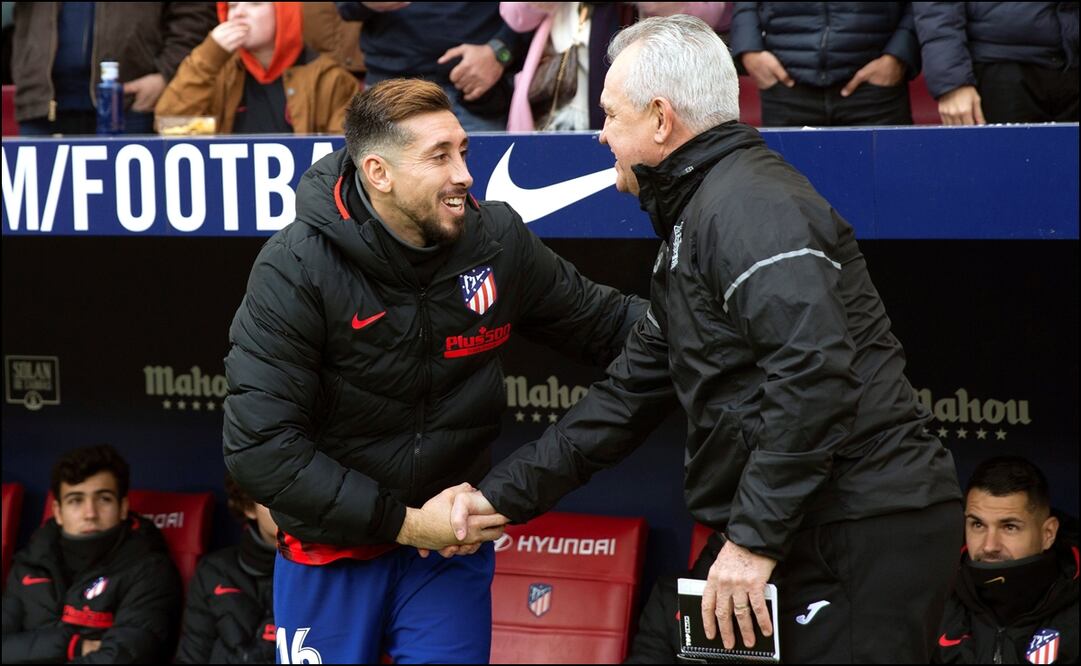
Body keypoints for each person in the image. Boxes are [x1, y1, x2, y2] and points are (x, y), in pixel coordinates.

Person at [451, 15, 963, 663]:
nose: (601, 134)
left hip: (858, 526)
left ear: (661, 119)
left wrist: (751, 542)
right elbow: (625, 398)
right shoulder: (697, 216)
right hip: (803, 522)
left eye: (611, 114)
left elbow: (812, 378)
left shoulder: (749, 206)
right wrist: (495, 500)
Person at [221, 77, 646, 663]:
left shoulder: (495, 241)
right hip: (332, 555)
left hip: (448, 554)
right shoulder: (296, 266)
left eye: (463, 152)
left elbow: (609, 324)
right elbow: (260, 449)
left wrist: (718, 317)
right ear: (378, 173)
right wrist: (404, 523)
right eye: (439, 157)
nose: (464, 175)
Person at [1, 444, 182, 663]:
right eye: (76, 500)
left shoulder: (150, 570)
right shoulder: (31, 562)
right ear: (58, 512)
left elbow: (121, 657)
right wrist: (73, 646)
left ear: (123, 507)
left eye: (103, 499)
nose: (90, 513)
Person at [936, 457, 1078, 664]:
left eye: (1009, 527)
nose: (989, 545)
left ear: (1048, 533)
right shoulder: (934, 600)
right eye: (977, 525)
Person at [10, 2, 217, 135]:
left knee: (132, 203)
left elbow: (193, 13)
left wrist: (165, 74)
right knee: (45, 202)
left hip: (132, 105)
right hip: (41, 108)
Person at [155, 2, 360, 135]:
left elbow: (342, 160)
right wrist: (208, 57)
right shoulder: (215, 73)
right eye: (232, 6)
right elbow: (170, 127)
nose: (239, 13)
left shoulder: (329, 79)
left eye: (254, 3)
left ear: (285, 11)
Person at [335, 2, 530, 131]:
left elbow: (540, 9)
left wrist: (501, 50)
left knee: (481, 187)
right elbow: (346, 7)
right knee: (384, 187)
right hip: (390, 85)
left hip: (475, 85)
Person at [729, 2, 921, 127]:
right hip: (785, 83)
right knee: (782, 185)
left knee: (888, 183)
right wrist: (750, 50)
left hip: (876, 86)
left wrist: (897, 56)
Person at [912, 3, 1079, 125]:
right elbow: (936, 10)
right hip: (999, 69)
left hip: (1071, 64)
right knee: (1003, 168)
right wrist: (952, 83)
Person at [174, 472, 277, 664]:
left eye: (297, 497)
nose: (289, 509)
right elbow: (191, 657)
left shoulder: (331, 574)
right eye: (274, 497)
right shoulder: (213, 571)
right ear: (249, 506)